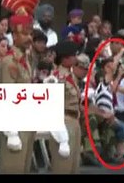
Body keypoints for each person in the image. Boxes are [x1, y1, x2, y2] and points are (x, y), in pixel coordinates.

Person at [0, 0, 40, 174]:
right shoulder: (10, 62)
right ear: (14, 34)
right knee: (12, 168)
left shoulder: (26, 61)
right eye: (25, 33)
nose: (30, 38)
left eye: (31, 33)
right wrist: (12, 130)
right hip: (15, 125)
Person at [50, 41, 82, 173]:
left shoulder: (71, 75)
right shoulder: (57, 77)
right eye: (74, 55)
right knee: (63, 165)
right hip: (63, 120)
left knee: (74, 165)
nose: (76, 58)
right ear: (65, 57)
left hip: (74, 120)